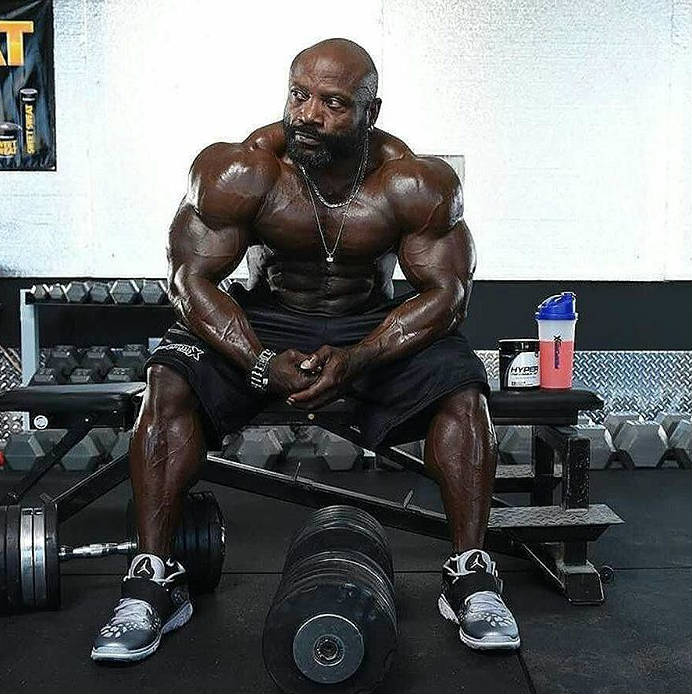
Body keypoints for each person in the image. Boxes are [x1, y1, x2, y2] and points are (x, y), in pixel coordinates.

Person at [91, 37, 520, 663]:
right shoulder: (242, 172)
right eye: (299, 95)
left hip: (368, 325)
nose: (307, 115)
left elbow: (447, 297)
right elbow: (190, 282)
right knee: (169, 382)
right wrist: (260, 361)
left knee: (462, 385)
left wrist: (362, 356)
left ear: (370, 113)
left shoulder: (413, 183)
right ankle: (153, 578)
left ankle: (470, 574)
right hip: (262, 320)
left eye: (332, 103)